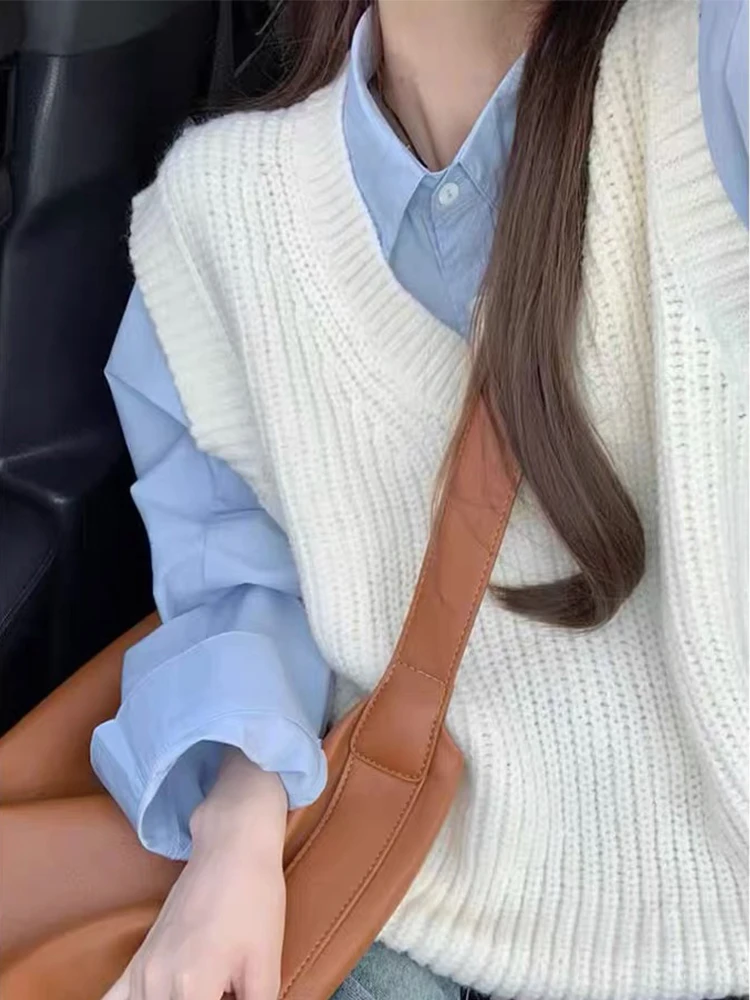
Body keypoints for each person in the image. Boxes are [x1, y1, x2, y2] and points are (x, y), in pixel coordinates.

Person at [91, 0, 748, 998]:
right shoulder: (215, 215)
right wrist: (236, 832)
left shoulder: (702, 72)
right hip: (403, 904)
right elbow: (243, 584)